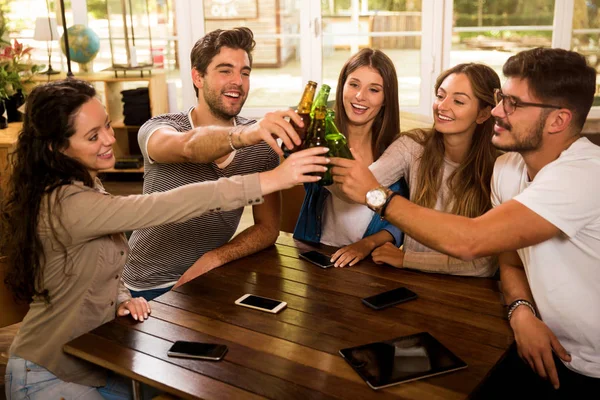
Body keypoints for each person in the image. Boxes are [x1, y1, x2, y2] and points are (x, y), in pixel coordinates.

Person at [0, 79, 328, 399]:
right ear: (56, 147)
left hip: (93, 358)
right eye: (92, 136)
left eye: (106, 126)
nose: (109, 140)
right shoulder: (65, 203)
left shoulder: (84, 182)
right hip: (47, 374)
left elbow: (100, 259)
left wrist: (121, 298)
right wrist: (274, 178)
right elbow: (167, 205)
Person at [331, 47, 600, 396]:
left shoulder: (585, 174)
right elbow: (509, 258)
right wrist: (520, 310)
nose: (498, 110)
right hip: (530, 341)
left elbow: (471, 242)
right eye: (502, 98)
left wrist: (377, 197)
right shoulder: (509, 169)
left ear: (558, 120)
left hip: (588, 364)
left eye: (513, 104)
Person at [123, 27, 306, 300]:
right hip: (147, 285)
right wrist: (248, 134)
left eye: (245, 72)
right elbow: (188, 148)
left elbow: (267, 229)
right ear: (198, 76)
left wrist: (215, 258)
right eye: (225, 70)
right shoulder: (160, 128)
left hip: (210, 278)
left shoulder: (260, 147)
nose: (238, 81)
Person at [363, 63, 501, 277]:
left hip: (469, 292)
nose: (442, 106)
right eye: (440, 96)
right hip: (411, 281)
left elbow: (485, 264)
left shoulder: (500, 168)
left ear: (483, 114)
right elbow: (361, 186)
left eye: (458, 101)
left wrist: (406, 259)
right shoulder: (412, 146)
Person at [293, 48, 408, 267]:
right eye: (354, 84)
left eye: (373, 90)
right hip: (316, 254)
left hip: (367, 261)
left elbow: (401, 220)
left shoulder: (396, 153)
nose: (359, 96)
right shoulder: (320, 137)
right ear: (342, 86)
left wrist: (366, 245)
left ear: (385, 99)